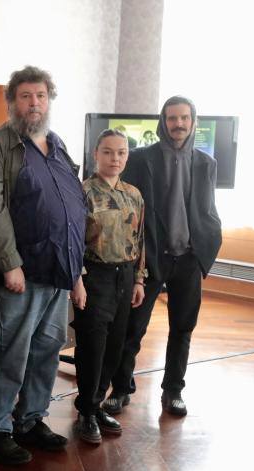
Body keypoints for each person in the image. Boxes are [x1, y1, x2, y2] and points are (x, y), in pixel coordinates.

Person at [0, 65, 87, 464]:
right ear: (12, 102)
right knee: (10, 352)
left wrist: (77, 272)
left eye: (40, 95)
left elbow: (73, 206)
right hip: (22, 272)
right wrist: (9, 264)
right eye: (25, 96)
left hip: (58, 270)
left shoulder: (57, 143)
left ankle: (30, 419)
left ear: (49, 100)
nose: (34, 103)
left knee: (48, 349)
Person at [103, 96, 222, 417]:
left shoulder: (207, 164)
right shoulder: (142, 159)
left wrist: (206, 249)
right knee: (132, 328)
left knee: (183, 328)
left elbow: (207, 210)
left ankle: (173, 391)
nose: (178, 124)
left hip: (188, 259)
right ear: (163, 122)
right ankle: (120, 389)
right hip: (150, 259)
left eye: (184, 118)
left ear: (193, 122)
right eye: (172, 118)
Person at [70, 129, 146, 444]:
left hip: (125, 277)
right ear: (96, 154)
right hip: (94, 277)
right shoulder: (82, 191)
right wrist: (77, 280)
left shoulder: (134, 194)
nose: (115, 158)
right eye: (108, 152)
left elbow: (140, 239)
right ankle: (86, 411)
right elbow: (72, 240)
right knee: (93, 347)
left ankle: (98, 403)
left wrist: (139, 279)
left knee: (115, 346)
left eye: (121, 152)